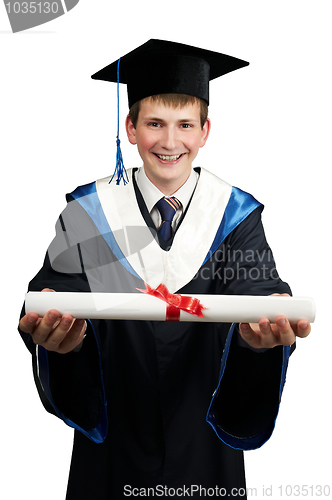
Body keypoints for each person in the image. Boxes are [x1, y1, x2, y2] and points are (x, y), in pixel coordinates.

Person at [18, 39, 311, 499]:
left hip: (204, 442)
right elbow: (53, 292)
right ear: (131, 129)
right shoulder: (89, 214)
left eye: (184, 125)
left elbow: (260, 287)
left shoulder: (235, 217)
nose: (170, 141)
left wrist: (261, 332)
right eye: (155, 123)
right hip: (117, 436)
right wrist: (63, 341)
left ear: (204, 131)